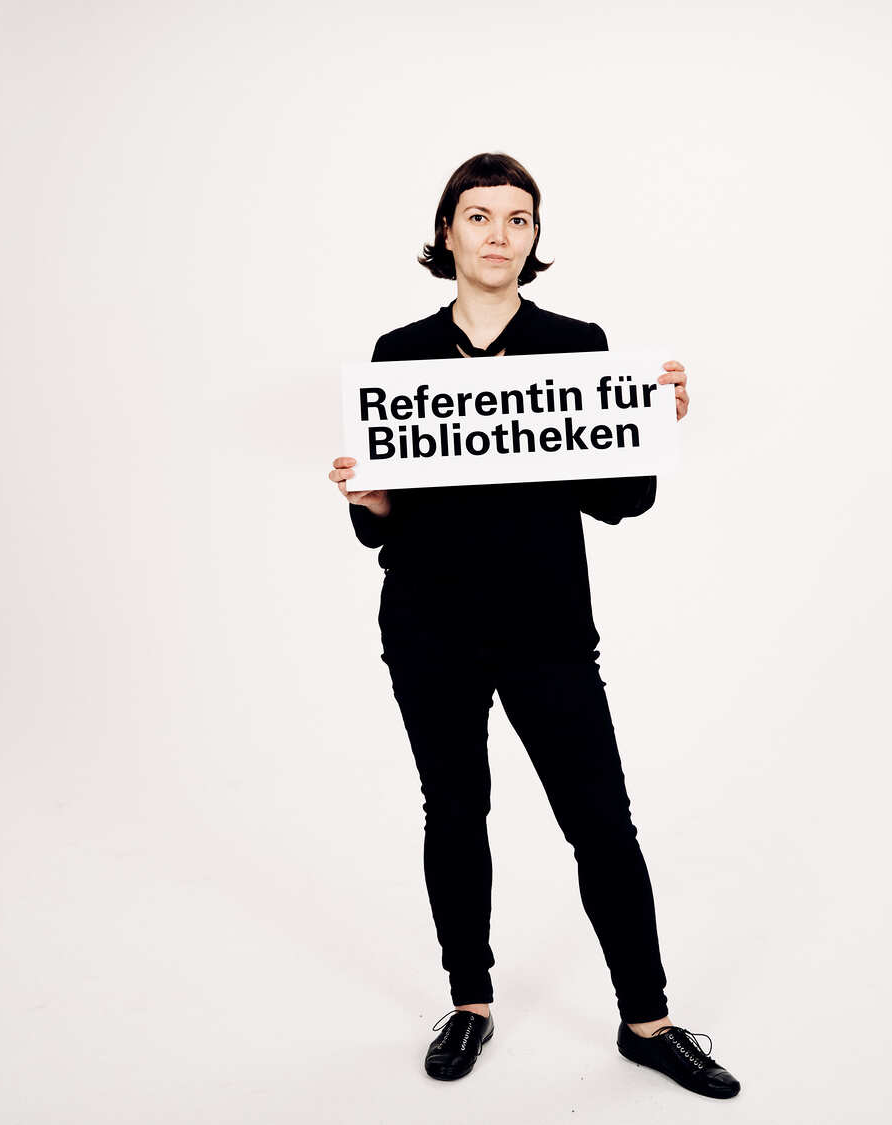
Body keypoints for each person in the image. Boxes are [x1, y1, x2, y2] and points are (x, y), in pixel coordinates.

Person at [326, 153, 739, 1100]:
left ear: (535, 237)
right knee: (454, 810)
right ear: (447, 233)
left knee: (601, 822)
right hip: (429, 626)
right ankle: (469, 1002)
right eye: (479, 216)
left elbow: (621, 498)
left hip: (546, 628)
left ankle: (648, 1020)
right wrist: (371, 498)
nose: (498, 234)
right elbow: (382, 519)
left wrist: (651, 423)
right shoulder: (399, 354)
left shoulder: (576, 343)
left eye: (518, 218)